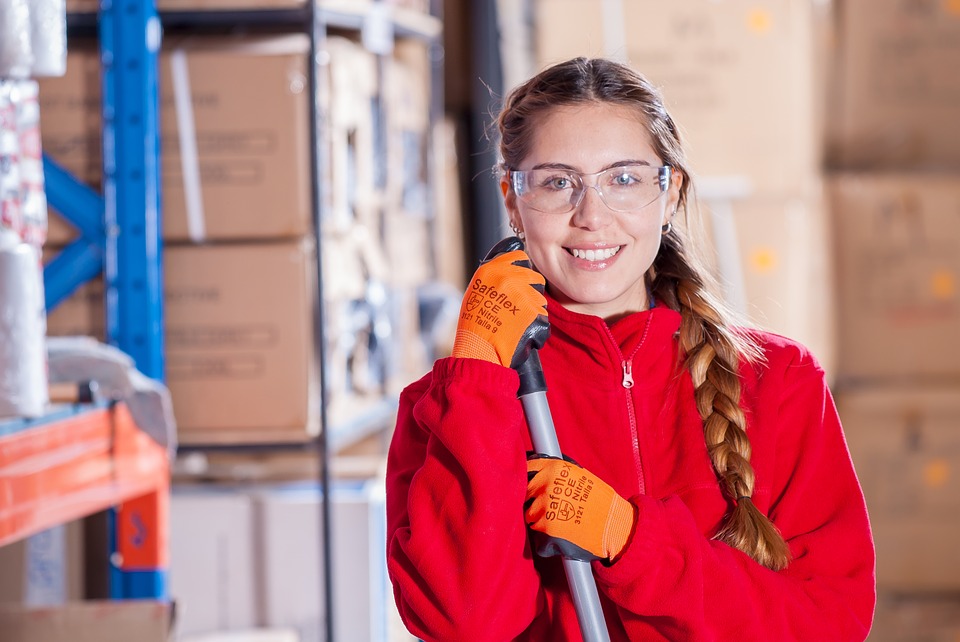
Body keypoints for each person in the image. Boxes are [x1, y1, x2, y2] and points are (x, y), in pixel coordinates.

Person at [385, 57, 876, 641]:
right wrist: (477, 378)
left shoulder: (779, 381)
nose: (592, 217)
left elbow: (829, 624)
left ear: (670, 195)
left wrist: (631, 540)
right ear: (512, 201)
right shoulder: (452, 406)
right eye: (556, 182)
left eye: (623, 178)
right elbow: (465, 624)